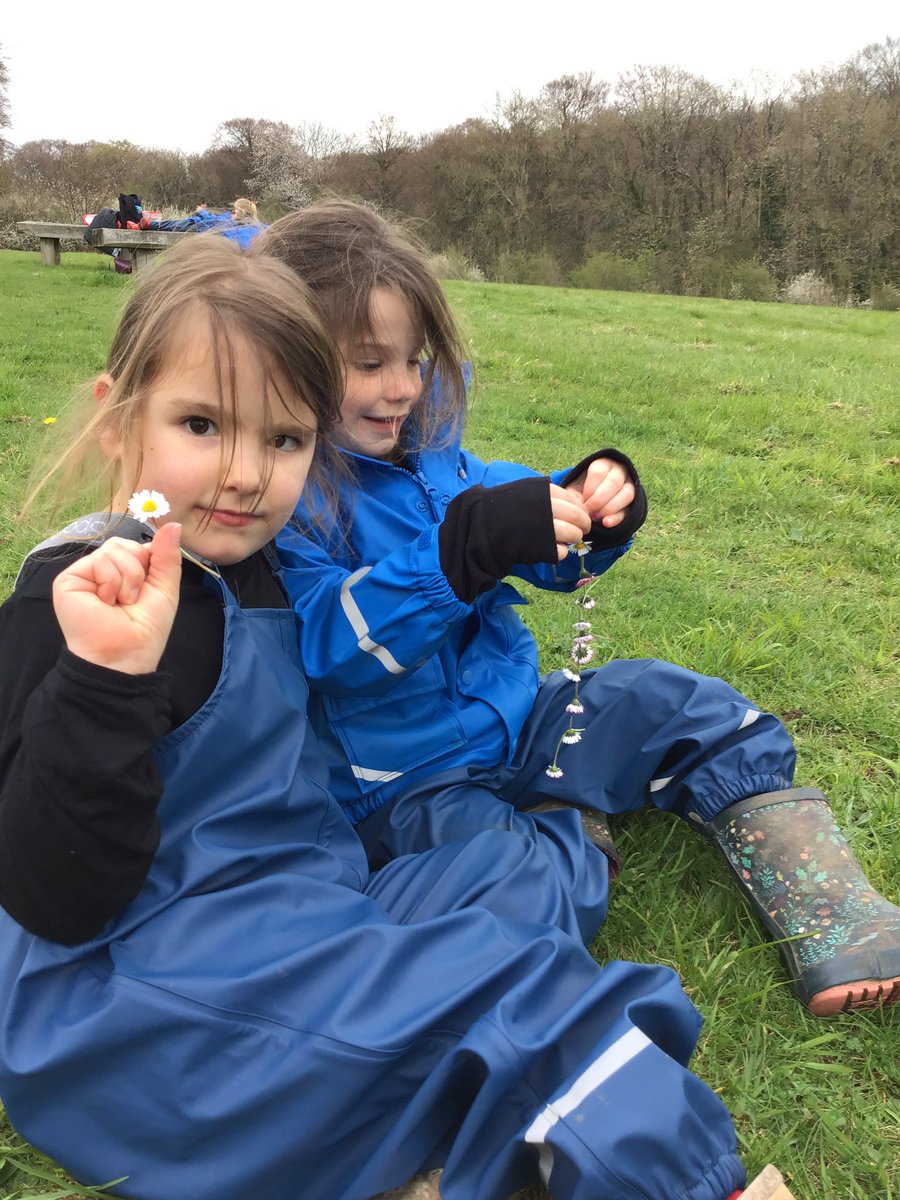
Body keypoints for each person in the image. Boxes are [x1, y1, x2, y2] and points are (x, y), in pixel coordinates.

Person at [0, 234, 761, 1200]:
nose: (244, 473)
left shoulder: (255, 561)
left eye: (283, 440)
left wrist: (573, 514)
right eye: (201, 424)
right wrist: (103, 683)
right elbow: (53, 898)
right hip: (141, 996)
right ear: (117, 421)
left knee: (516, 885)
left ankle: (409, 1136)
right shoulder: (77, 597)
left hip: (305, 910)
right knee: (530, 1000)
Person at [257, 200, 900, 1020]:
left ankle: (832, 909)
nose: (403, 387)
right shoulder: (290, 503)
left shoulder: (446, 466)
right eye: (369, 362)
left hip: (523, 718)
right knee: (528, 878)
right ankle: (563, 835)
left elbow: (538, 531)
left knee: (683, 704)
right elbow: (328, 648)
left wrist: (593, 503)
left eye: (415, 360)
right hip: (402, 783)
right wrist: (460, 554)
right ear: (285, 362)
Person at [146, 197, 267, 249]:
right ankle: (151, 224)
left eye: (234, 211)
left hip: (229, 258)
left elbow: (213, 222)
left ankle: (151, 224)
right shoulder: (264, 228)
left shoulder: (228, 224)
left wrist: (201, 212)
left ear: (238, 211)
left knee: (188, 223)